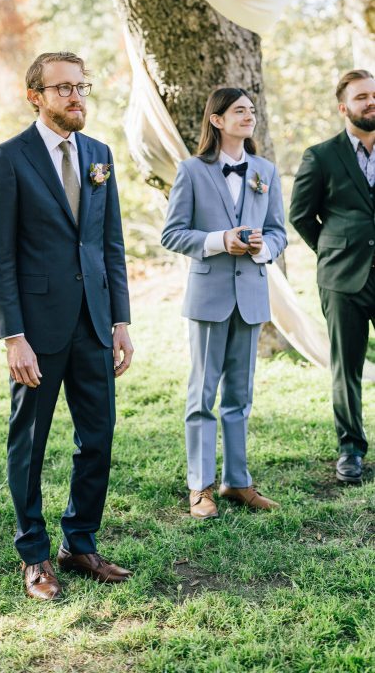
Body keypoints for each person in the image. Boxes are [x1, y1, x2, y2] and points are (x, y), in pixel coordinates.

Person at [0, 51, 134, 600]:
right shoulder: (9, 157)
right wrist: (12, 336)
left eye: (81, 86)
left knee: (97, 437)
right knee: (30, 442)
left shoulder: (99, 155)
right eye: (63, 88)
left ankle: (80, 541)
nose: (77, 96)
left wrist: (120, 319)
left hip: (94, 323)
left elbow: (109, 244)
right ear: (36, 97)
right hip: (37, 330)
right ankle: (35, 555)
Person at [161, 87, 287, 519]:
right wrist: (219, 241)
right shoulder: (192, 171)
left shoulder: (265, 170)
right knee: (202, 395)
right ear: (216, 120)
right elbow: (172, 233)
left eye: (252, 110)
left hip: (250, 296)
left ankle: (238, 481)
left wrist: (260, 248)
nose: (249, 116)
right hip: (209, 299)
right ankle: (200, 487)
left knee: (240, 395)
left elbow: (278, 232)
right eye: (239, 110)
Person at [290, 69, 375, 485]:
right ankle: (350, 450)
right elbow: (301, 216)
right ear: (344, 107)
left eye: (374, 95)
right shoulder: (321, 156)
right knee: (347, 368)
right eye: (361, 97)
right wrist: (333, 250)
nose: (371, 102)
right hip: (344, 279)